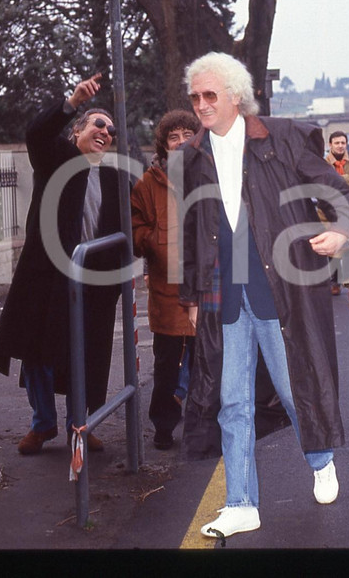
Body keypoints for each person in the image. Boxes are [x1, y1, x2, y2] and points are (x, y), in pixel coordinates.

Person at [177, 52, 349, 538]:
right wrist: (191, 296)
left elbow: (337, 191)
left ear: (236, 95)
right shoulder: (193, 155)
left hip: (280, 289)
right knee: (231, 402)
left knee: (295, 387)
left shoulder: (281, 138)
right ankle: (241, 504)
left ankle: (320, 460)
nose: (201, 105)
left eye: (210, 95)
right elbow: (192, 230)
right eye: (195, 97)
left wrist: (342, 230)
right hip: (224, 296)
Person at [0, 74, 124, 454]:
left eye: (110, 129)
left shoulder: (113, 178)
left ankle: (78, 425)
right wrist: (72, 102)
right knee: (39, 353)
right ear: (76, 131)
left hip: (94, 282)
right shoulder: (56, 159)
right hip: (48, 276)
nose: (105, 132)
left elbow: (125, 228)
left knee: (88, 356)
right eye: (98, 124)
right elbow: (36, 133)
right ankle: (43, 424)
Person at [131, 109, 200, 451]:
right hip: (167, 289)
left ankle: (206, 425)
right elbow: (135, 227)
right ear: (164, 144)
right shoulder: (149, 182)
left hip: (206, 287)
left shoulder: (211, 176)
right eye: (174, 137)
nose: (182, 141)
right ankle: (163, 426)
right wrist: (153, 239)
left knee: (208, 363)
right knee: (166, 366)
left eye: (188, 135)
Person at [324, 130, 349, 295]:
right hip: (327, 212)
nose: (340, 146)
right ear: (330, 145)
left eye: (343, 143)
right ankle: (334, 282)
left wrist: (337, 180)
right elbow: (325, 185)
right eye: (336, 143)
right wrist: (348, 179)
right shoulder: (323, 164)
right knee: (333, 248)